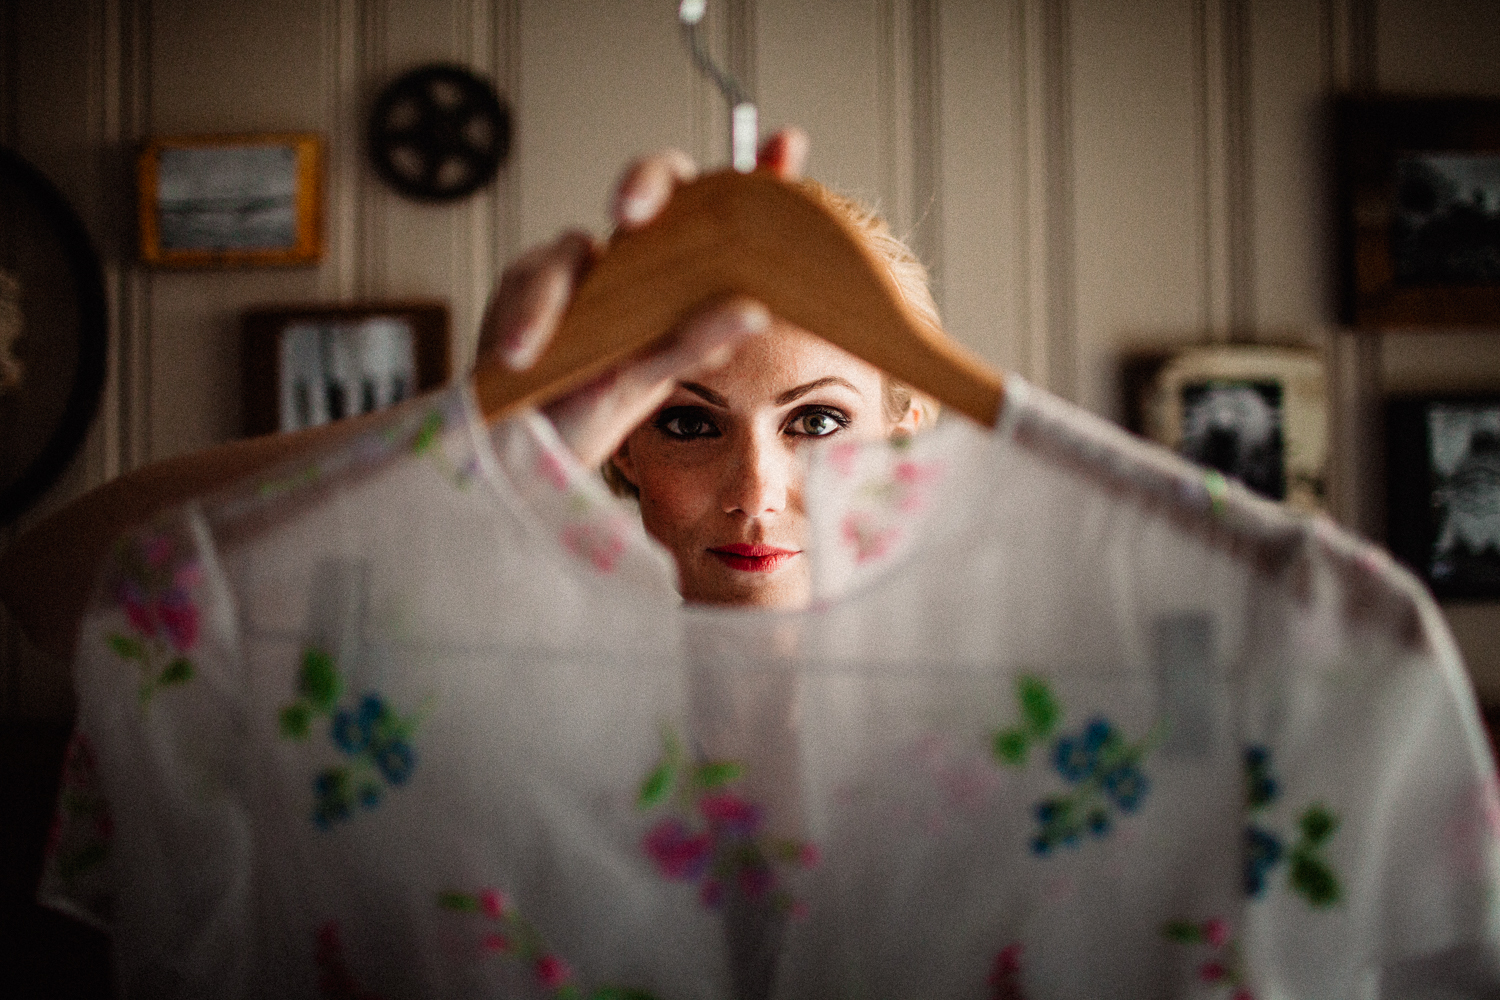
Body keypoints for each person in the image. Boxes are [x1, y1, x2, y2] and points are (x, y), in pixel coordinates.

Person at [0, 127, 925, 657]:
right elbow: (52, 591)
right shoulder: (462, 644)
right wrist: (480, 418)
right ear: (626, 447)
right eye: (687, 420)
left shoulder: (1038, 671)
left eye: (817, 421)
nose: (757, 490)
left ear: (905, 420)